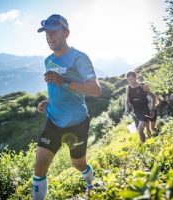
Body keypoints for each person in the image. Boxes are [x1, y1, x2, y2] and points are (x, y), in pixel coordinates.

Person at [33, 14, 102, 200]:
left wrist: (64, 81)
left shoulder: (79, 58)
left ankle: (91, 184)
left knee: (78, 164)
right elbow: (54, 88)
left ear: (66, 33)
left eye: (53, 31)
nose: (49, 36)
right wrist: (48, 102)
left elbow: (96, 90)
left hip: (77, 123)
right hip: (53, 120)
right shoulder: (48, 60)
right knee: (39, 168)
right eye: (46, 32)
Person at [124, 71, 156, 143]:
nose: (130, 81)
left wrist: (153, 109)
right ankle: (146, 143)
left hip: (145, 110)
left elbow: (153, 97)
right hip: (136, 112)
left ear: (136, 77)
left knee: (139, 129)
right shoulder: (128, 88)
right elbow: (127, 100)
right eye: (128, 80)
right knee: (141, 131)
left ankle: (143, 145)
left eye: (131, 79)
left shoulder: (143, 86)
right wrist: (126, 109)